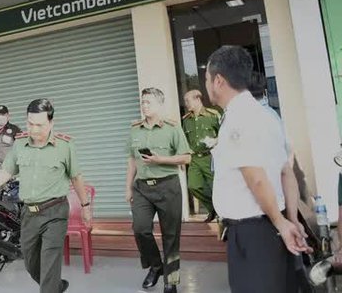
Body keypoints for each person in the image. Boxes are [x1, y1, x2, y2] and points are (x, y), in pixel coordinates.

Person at [205, 45, 310, 293]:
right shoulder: (267, 116)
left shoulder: (237, 119)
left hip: (253, 233)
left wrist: (281, 223)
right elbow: (286, 172)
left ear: (218, 81)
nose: (207, 84)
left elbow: (256, 179)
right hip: (274, 223)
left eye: (207, 79)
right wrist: (291, 219)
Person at [0, 98, 91, 293]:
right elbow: (7, 171)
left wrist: (85, 206)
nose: (34, 130)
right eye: (30, 123)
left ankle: (50, 287)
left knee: (50, 260)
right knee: (30, 263)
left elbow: (76, 177)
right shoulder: (20, 144)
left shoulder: (64, 146)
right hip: (29, 213)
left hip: (55, 211)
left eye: (39, 125)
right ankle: (56, 286)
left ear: (51, 123)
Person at [125, 88, 191, 293]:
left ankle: (171, 280)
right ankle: (156, 266)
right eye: (143, 102)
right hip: (142, 188)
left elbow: (186, 157)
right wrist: (128, 188)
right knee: (140, 229)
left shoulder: (172, 128)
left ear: (160, 105)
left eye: (149, 102)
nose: (144, 106)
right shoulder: (135, 129)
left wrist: (161, 159)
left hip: (167, 186)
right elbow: (132, 160)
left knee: (171, 236)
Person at [182, 90, 220, 223]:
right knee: (193, 186)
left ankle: (221, 213)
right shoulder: (186, 120)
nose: (186, 104)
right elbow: (185, 140)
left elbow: (224, 134)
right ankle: (213, 208)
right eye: (185, 101)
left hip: (210, 157)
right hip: (195, 158)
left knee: (216, 187)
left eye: (188, 100)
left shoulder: (212, 115)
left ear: (198, 99)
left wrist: (215, 141)